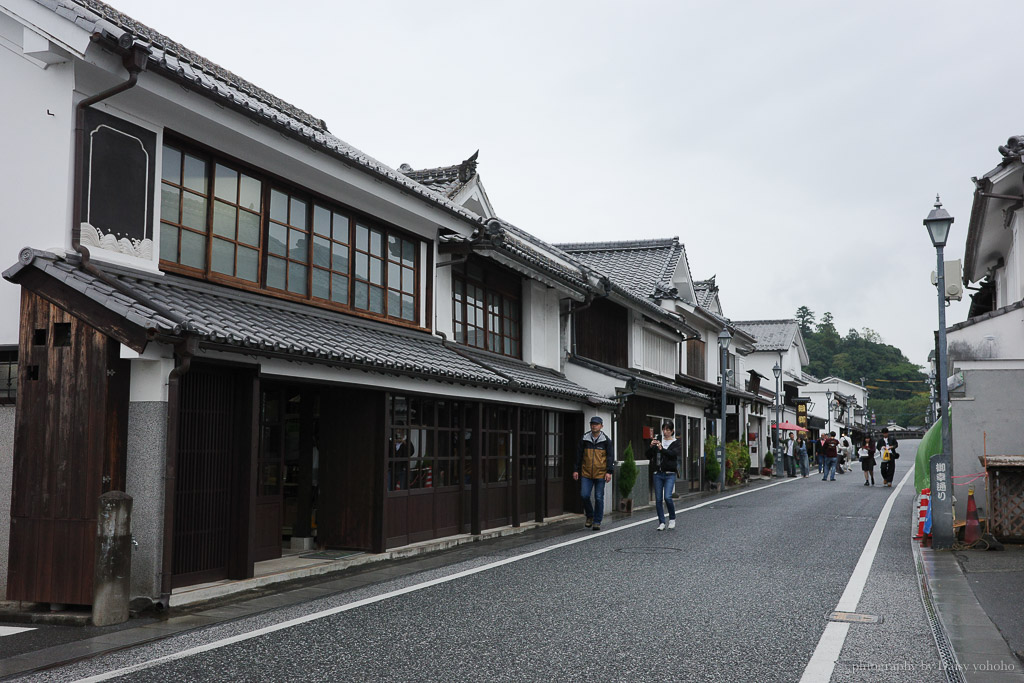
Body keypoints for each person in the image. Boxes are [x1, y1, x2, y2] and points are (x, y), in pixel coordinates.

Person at [574, 416, 614, 530]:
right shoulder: (585, 439)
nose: (594, 426)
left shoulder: (606, 441)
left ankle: (597, 521)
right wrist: (576, 469)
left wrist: (609, 472)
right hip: (586, 473)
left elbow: (610, 457)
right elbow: (578, 455)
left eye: (596, 424)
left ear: (601, 426)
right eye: (592, 424)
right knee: (584, 495)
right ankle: (590, 516)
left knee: (598, 497)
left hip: (601, 473)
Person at [647, 421, 680, 530]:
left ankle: (672, 519)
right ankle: (661, 522)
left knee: (667, 497)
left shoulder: (676, 442)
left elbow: (673, 454)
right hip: (658, 473)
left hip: (670, 473)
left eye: (668, 430)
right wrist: (651, 446)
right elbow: (648, 455)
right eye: (664, 429)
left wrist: (662, 449)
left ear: (672, 431)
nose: (665, 432)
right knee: (658, 499)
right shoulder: (658, 441)